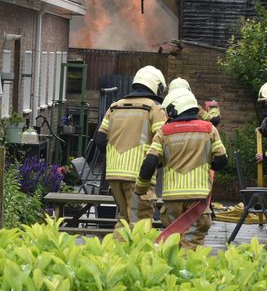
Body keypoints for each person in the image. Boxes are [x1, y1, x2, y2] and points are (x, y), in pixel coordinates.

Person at [135, 87, 227, 248]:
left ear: (175, 108)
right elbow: (221, 161)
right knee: (192, 246)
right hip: (198, 200)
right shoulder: (209, 129)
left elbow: (150, 163)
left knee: (173, 243)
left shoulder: (164, 132)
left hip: (172, 200)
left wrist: (141, 188)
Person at [92, 65, 166, 226]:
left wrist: (114, 156)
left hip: (114, 175)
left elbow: (99, 138)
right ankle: (136, 251)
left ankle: (117, 251)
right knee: (140, 223)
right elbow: (163, 141)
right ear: (155, 85)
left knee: (124, 219)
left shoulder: (115, 107)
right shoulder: (153, 108)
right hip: (139, 177)